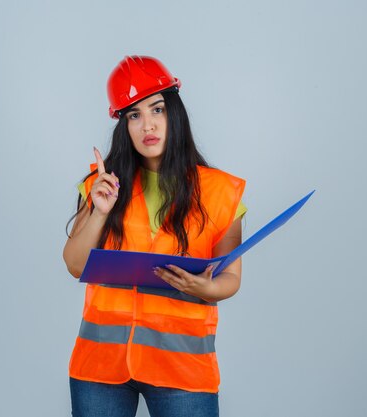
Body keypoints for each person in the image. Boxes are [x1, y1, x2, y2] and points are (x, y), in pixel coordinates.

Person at [63, 55, 246, 417]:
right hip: (101, 365)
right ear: (123, 125)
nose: (148, 124)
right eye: (134, 115)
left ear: (174, 113)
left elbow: (231, 277)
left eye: (157, 109)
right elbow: (74, 264)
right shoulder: (102, 186)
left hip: (182, 368)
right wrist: (100, 210)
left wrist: (205, 290)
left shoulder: (219, 191)